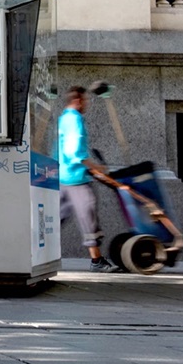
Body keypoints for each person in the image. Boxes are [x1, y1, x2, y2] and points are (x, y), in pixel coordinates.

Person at [58, 85, 123, 273]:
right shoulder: (75, 119)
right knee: (89, 218)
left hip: (63, 176)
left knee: (55, 220)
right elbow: (74, 151)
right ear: (78, 101)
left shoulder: (63, 118)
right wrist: (95, 167)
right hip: (77, 178)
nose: (87, 104)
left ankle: (32, 252)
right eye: (86, 100)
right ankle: (97, 261)